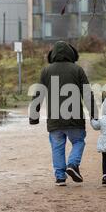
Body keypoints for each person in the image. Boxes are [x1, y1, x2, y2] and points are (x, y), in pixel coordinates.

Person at [29, 41, 96, 186]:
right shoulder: (77, 69)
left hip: (54, 120)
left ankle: (60, 177)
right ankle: (72, 164)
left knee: (57, 147)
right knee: (78, 142)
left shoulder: (46, 71)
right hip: (75, 118)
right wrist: (94, 114)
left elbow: (38, 94)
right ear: (71, 54)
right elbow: (87, 94)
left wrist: (33, 116)